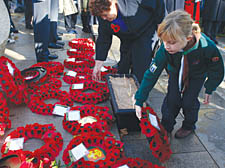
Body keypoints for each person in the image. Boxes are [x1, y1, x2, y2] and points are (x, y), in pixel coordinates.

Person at [134, 10, 224, 139]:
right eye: (164, 41)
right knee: (172, 100)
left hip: (196, 76)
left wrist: (210, 87)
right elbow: (151, 74)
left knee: (189, 102)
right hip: (175, 73)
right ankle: (166, 127)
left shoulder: (207, 47)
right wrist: (140, 98)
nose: (166, 46)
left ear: (187, 39)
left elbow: (217, 69)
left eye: (171, 43)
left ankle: (188, 126)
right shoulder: (164, 50)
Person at [89, 0, 165, 83]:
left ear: (113, 4)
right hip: (126, 36)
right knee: (124, 65)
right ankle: (124, 89)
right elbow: (104, 38)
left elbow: (158, 3)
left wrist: (161, 26)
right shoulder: (103, 17)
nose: (104, 18)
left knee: (140, 66)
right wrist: (98, 64)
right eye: (101, 16)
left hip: (145, 32)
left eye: (105, 15)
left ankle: (138, 91)